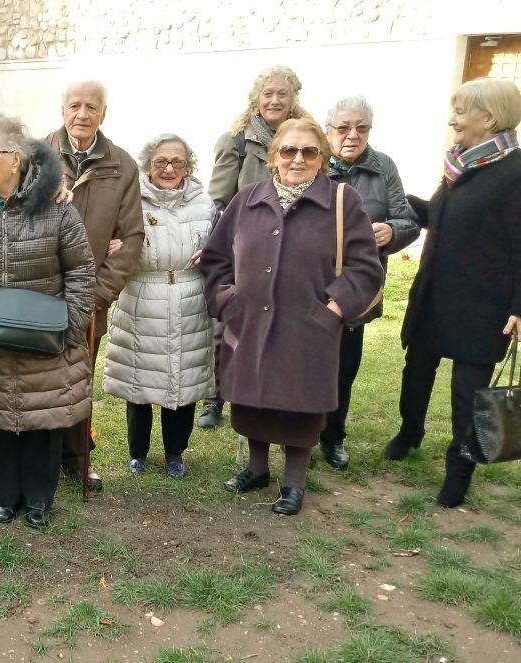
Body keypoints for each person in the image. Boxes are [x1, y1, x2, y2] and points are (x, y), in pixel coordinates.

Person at [201, 118, 382, 516]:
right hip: (249, 321)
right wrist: (228, 299)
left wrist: (333, 309)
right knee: (253, 400)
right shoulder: (247, 198)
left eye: (309, 152)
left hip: (309, 325)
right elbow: (216, 258)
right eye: (288, 150)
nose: (297, 159)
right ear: (273, 156)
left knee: (302, 404)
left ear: (323, 158)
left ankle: (294, 481)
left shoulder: (341, 201)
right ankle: (256, 468)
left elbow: (366, 269)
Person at [384, 78, 521, 508]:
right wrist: (403, 204)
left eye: (461, 112)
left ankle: (460, 469)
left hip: (484, 306)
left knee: (469, 393)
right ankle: (410, 433)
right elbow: (448, 220)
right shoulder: (461, 165)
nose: (452, 120)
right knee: (417, 368)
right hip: (435, 296)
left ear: (490, 119)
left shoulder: (515, 172)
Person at [0, 114, 95, 528]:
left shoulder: (56, 210)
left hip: (47, 336)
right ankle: (5, 497)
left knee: (44, 419)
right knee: (0, 419)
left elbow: (82, 270)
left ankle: (39, 499)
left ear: (15, 160)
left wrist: (69, 326)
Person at [200, 65, 314, 430]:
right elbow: (218, 200)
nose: (275, 100)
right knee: (227, 326)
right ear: (257, 99)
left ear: (294, 98)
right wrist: (212, 245)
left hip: (292, 248)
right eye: (268, 93)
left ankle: (273, 397)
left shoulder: (308, 139)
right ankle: (215, 398)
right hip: (243, 248)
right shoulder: (236, 140)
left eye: (282, 93)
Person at [43, 79, 144, 492]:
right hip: (40, 294)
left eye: (92, 107)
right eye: (75, 105)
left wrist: (97, 294)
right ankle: (42, 459)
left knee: (78, 379)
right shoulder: (34, 156)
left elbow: (131, 238)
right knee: (41, 381)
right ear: (62, 109)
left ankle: (77, 458)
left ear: (105, 113)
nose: (82, 114)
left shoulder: (121, 165)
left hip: (90, 299)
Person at [103, 133, 216, 478]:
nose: (169, 168)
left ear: (188, 166)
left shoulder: (204, 202)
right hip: (141, 296)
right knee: (138, 381)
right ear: (148, 165)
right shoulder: (130, 199)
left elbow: (222, 242)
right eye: (160, 162)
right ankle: (138, 452)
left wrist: (213, 252)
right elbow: (109, 235)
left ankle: (175, 454)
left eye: (177, 162)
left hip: (189, 297)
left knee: (184, 383)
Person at [321, 96, 420, 469]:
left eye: (361, 128)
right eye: (343, 128)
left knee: (345, 367)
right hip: (313, 284)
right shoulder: (313, 162)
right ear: (329, 130)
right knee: (308, 363)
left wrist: (391, 231)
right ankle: (300, 435)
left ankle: (333, 438)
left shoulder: (383, 167)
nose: (352, 135)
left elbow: (407, 219)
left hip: (360, 287)